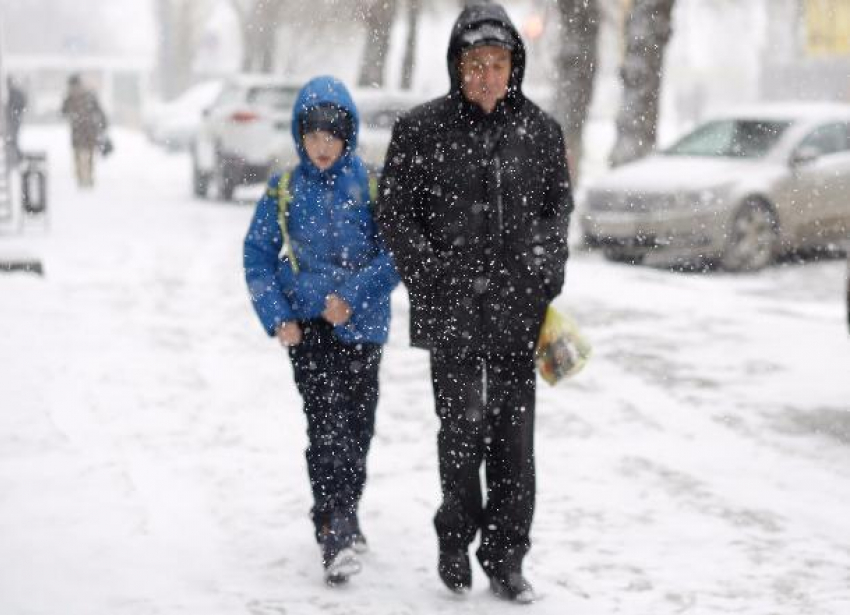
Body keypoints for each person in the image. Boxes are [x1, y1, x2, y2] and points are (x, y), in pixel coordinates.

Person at [377, 1, 573, 603]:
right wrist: (431, 276)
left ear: (515, 65)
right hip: (452, 312)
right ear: (456, 67)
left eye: (498, 63)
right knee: (461, 433)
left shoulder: (540, 132)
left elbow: (556, 213)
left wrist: (543, 274)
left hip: (518, 313)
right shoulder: (420, 130)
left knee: (515, 440)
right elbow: (395, 215)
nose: (487, 75)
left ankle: (507, 557)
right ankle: (454, 539)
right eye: (475, 63)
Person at [243, 75, 399, 585]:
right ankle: (334, 525)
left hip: (364, 329)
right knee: (326, 428)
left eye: (331, 136)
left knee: (358, 430)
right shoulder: (284, 188)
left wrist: (351, 298)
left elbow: (396, 253)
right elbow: (258, 255)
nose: (322, 146)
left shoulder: (372, 186)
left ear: (348, 135)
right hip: (309, 333)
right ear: (298, 136)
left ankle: (344, 510)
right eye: (312, 136)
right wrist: (278, 317)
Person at [61, 74, 107, 188]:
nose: (74, 89)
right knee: (77, 156)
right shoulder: (69, 98)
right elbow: (63, 112)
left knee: (89, 156)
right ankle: (80, 178)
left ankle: (89, 177)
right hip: (77, 132)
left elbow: (99, 111)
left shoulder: (89, 96)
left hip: (89, 131)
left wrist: (103, 124)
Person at [5, 77, 27, 163]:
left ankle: (16, 157)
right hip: (13, 119)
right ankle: (14, 156)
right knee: (12, 139)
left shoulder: (14, 93)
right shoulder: (12, 92)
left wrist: (14, 113)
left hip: (13, 120)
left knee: (13, 138)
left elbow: (20, 104)